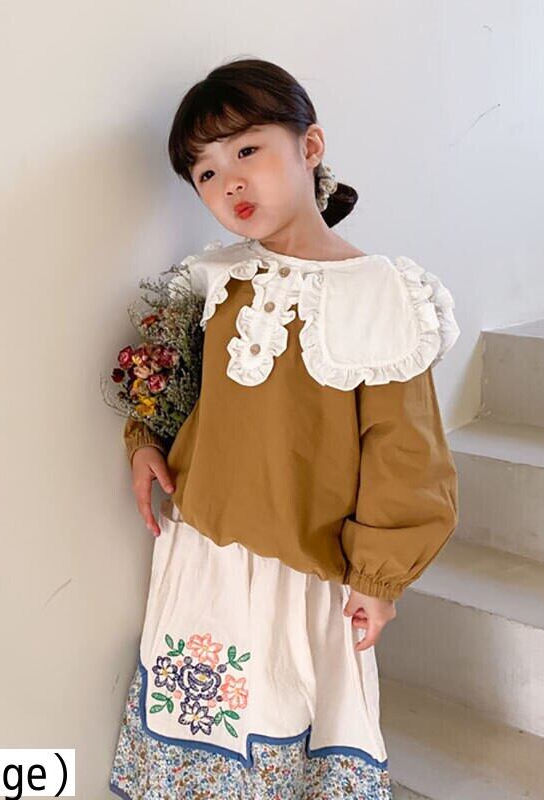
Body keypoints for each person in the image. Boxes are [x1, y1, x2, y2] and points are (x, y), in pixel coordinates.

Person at [109, 57, 459, 800]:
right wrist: (144, 443)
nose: (229, 182)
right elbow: (166, 378)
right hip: (202, 555)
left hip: (306, 573)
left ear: (310, 146)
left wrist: (380, 578)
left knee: (289, 742)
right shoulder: (210, 276)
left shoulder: (379, 292)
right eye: (205, 172)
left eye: (247, 150)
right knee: (199, 741)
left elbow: (405, 452)